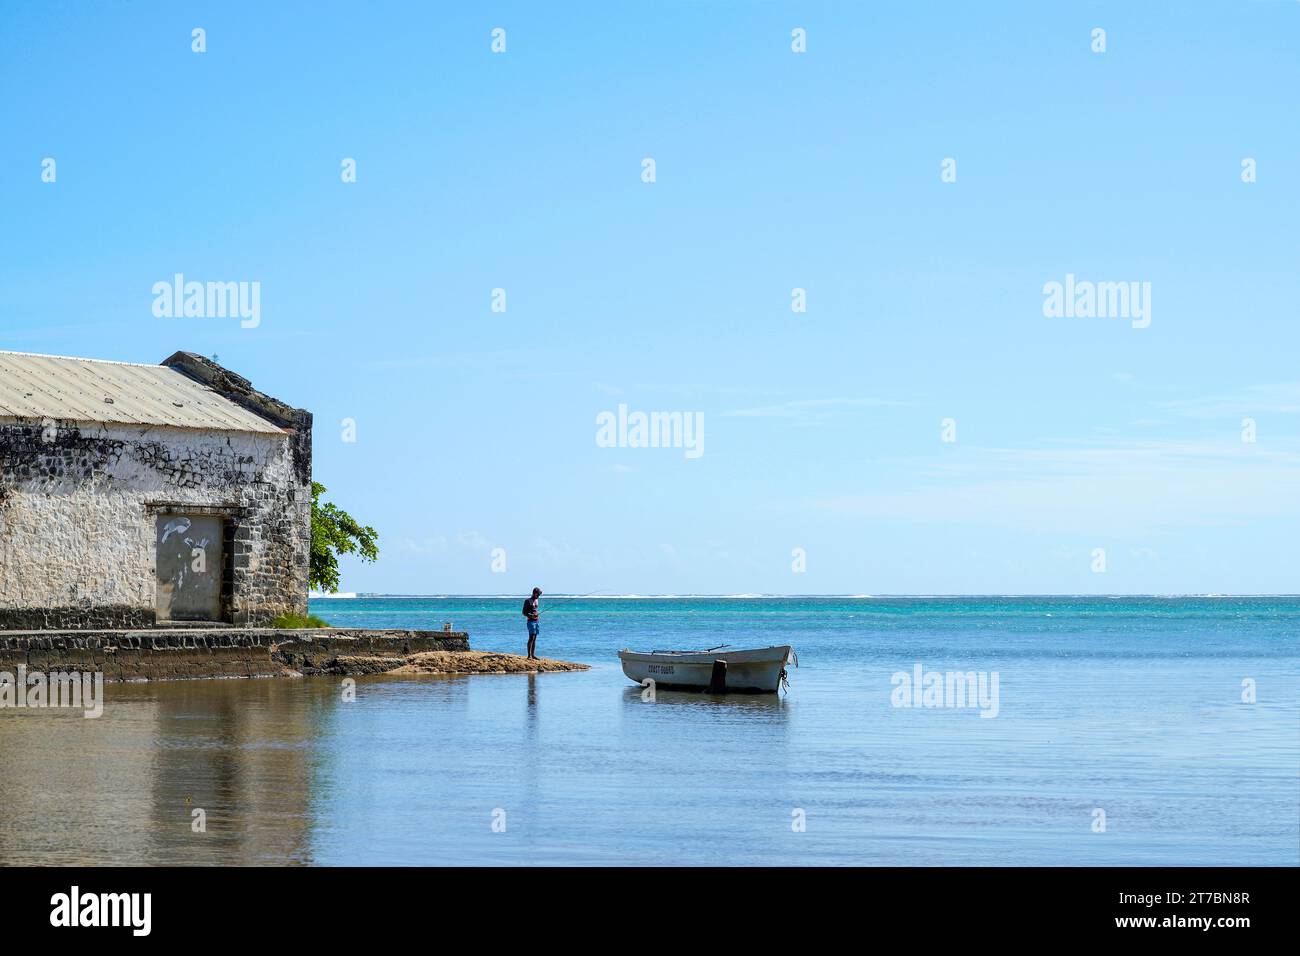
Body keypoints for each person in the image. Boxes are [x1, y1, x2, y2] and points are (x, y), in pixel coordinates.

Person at [522, 587, 542, 659]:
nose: (539, 596)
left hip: (536, 621)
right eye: (538, 594)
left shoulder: (537, 600)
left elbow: (534, 610)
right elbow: (524, 612)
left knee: (535, 638)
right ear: (534, 593)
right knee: (531, 637)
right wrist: (531, 615)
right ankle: (529, 655)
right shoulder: (527, 601)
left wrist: (536, 614)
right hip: (530, 621)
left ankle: (533, 655)